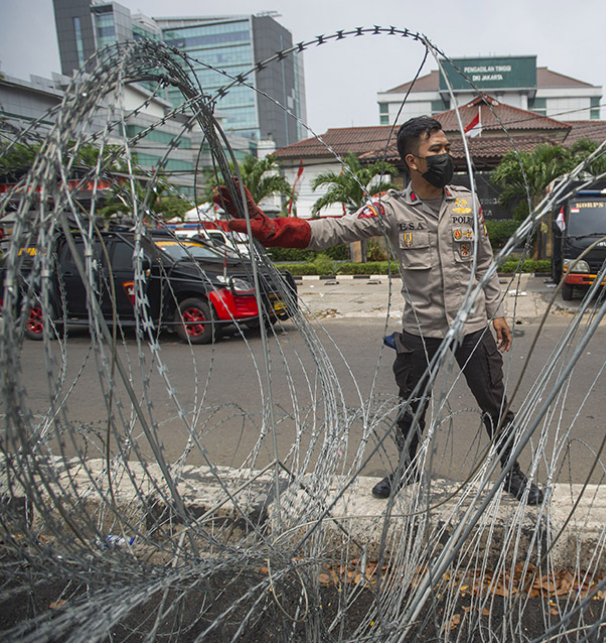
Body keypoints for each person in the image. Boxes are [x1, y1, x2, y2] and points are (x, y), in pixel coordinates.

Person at [214, 116, 543, 505]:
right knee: (411, 408)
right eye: (435, 151)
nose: (446, 156)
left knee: (494, 404)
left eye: (447, 148)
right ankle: (407, 468)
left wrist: (497, 310)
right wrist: (271, 228)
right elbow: (332, 230)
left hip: (471, 327)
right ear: (412, 161)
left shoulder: (467, 204)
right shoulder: (390, 209)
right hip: (420, 332)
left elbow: (484, 261)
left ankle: (513, 475)